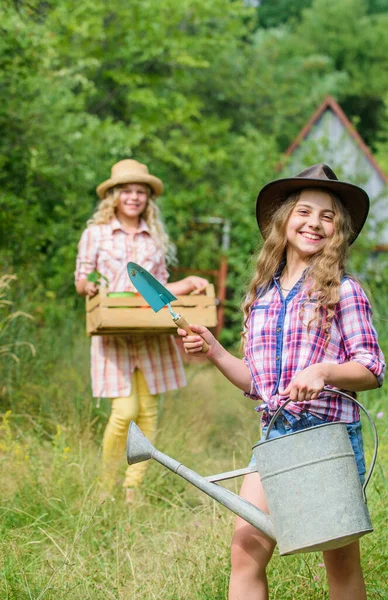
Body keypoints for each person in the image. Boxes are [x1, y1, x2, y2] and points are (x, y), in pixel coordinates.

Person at [178, 164, 386, 600]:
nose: (314, 223)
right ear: (283, 220)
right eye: (304, 212)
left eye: (327, 216)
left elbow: (371, 368)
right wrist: (215, 352)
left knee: (340, 559)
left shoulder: (344, 291)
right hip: (274, 438)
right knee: (246, 549)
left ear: (339, 230)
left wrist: (324, 371)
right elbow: (257, 382)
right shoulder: (263, 297)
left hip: (327, 438)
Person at [75, 159, 208, 503]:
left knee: (148, 411)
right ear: (114, 196)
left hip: (149, 333)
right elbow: (82, 275)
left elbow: (157, 288)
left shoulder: (153, 239)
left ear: (147, 198)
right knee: (124, 412)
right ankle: (105, 487)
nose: (134, 197)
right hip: (114, 331)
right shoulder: (97, 234)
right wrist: (86, 286)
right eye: (127, 191)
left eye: (141, 192)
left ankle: (132, 487)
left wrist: (188, 283)